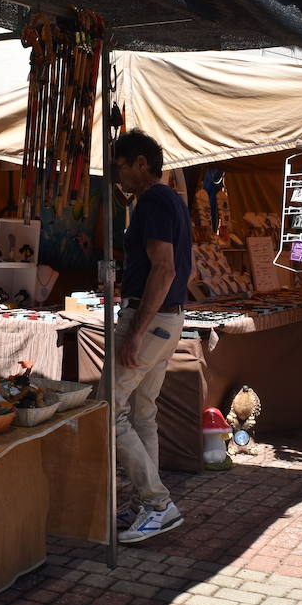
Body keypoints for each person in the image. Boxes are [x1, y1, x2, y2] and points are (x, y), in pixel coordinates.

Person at [111, 130, 191, 543]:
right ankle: (148, 504)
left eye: (120, 167)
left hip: (153, 317)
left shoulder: (156, 200)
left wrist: (136, 332)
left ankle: (158, 504)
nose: (117, 176)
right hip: (165, 317)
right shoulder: (170, 199)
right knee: (142, 412)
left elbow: (164, 269)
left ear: (141, 163)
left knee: (109, 408)